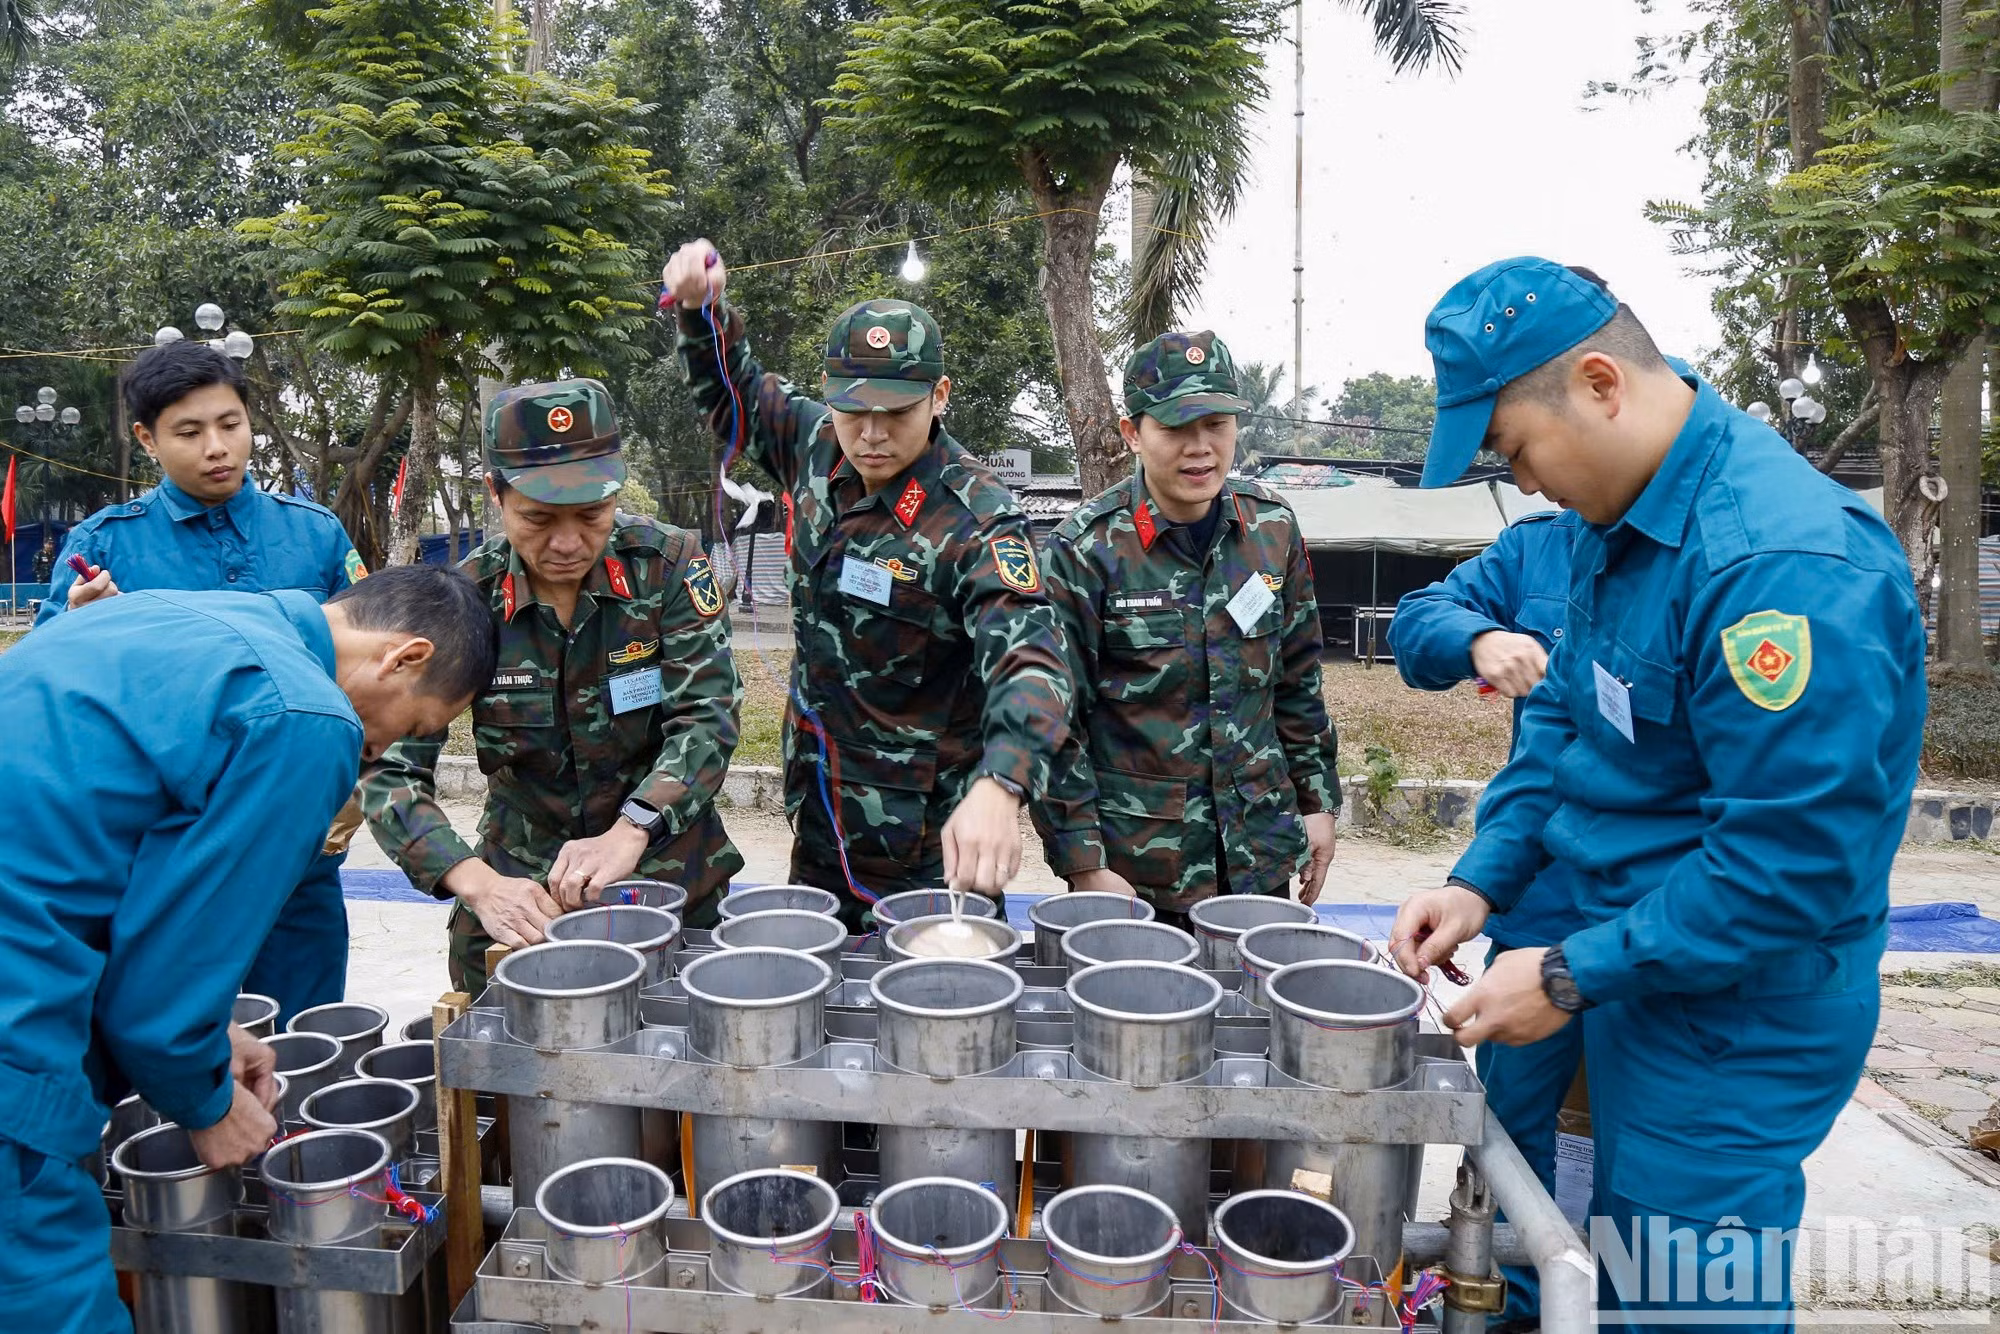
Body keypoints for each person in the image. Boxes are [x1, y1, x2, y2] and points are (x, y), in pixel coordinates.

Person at [1389, 258, 1926, 1330]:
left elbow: (1788, 864)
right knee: (1586, 1246)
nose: (1522, 481)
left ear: (1597, 382)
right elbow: (1565, 729)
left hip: (1734, 1010)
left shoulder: (1776, 564)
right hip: (1633, 964)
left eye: (1513, 448)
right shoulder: (1610, 530)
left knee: (1682, 1297)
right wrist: (1481, 884)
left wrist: (1569, 970)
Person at [0, 565, 494, 1334]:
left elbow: (100, 865)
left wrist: (208, 1032)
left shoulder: (167, 615)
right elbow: (161, 993)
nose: (386, 747)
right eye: (415, 725)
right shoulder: (305, 714)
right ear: (403, 656)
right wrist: (204, 1098)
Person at [663, 240, 1072, 929]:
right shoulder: (816, 444)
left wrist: (1002, 786)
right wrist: (703, 315)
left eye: (897, 413)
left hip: (929, 849)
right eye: (855, 411)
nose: (873, 434)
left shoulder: (974, 519)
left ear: (939, 397)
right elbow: (734, 391)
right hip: (821, 818)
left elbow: (1031, 662)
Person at [361, 379, 743, 994]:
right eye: (537, 518)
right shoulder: (465, 600)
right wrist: (473, 880)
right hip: (522, 885)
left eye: (591, 515)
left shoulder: (667, 566)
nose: (567, 544)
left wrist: (633, 826)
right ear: (494, 492)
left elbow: (707, 716)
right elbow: (388, 766)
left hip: (663, 869)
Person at [37, 341, 370, 1023]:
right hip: (168, 851)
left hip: (296, 843)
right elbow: (43, 691)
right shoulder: (105, 547)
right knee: (172, 1030)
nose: (217, 447)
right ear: (147, 439)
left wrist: (354, 777)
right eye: (189, 432)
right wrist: (77, 625)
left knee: (305, 1030)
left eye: (230, 424)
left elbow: (365, 664)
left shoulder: (313, 535)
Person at [1031, 331, 1339, 926]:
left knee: (1253, 1014)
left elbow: (1298, 681)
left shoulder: (1272, 530)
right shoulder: (1087, 549)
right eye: (1175, 428)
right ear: (1132, 433)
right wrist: (1083, 863)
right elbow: (1055, 721)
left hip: (1259, 851)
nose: (1201, 449)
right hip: (1139, 867)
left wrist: (1317, 802)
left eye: (1217, 424)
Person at [1388, 506, 1584, 1329]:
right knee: (1511, 1131)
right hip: (1540, 895)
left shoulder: (1721, 554)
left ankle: (1613, 1290)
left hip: (1668, 921)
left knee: (1648, 1142)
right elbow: (1417, 623)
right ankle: (1514, 1304)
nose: (1530, 474)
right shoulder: (1542, 547)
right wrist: (1479, 641)